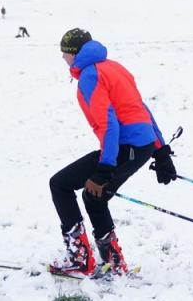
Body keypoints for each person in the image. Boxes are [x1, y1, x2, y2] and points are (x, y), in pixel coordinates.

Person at [49, 28, 177, 277]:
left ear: (74, 53)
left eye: (64, 53)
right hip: (141, 145)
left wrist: (104, 168)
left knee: (60, 185)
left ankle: (80, 259)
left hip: (124, 147)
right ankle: (113, 262)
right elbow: (143, 110)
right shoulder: (115, 67)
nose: (63, 59)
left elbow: (108, 124)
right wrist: (160, 152)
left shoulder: (90, 76)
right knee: (93, 196)